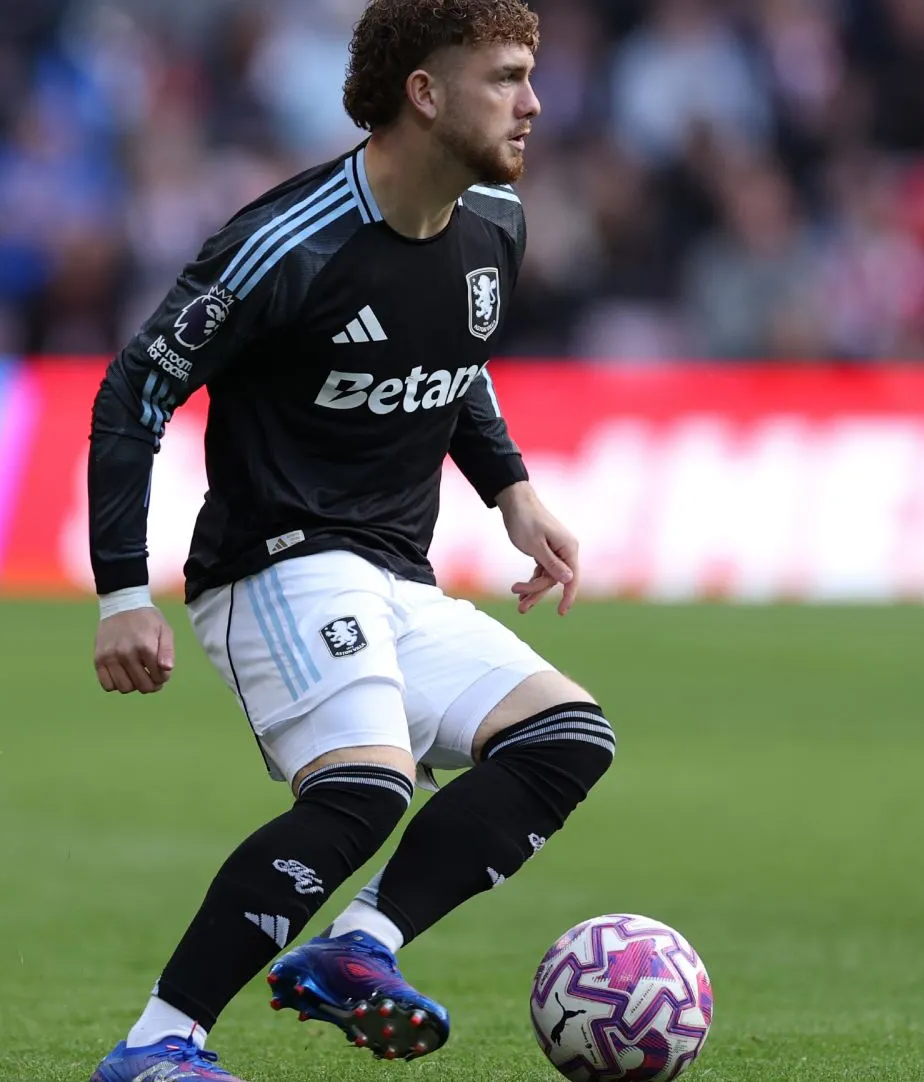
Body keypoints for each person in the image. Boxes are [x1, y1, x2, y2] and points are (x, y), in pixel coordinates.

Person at [84, 3, 616, 1079]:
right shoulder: (286, 242)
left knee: (568, 738)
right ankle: (157, 1043)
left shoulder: (495, 225)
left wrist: (508, 485)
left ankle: (360, 945)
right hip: (272, 562)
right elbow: (133, 392)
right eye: (507, 77)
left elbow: (455, 362)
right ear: (425, 92)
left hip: (392, 571)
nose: (534, 102)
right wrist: (120, 595)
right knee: (365, 788)